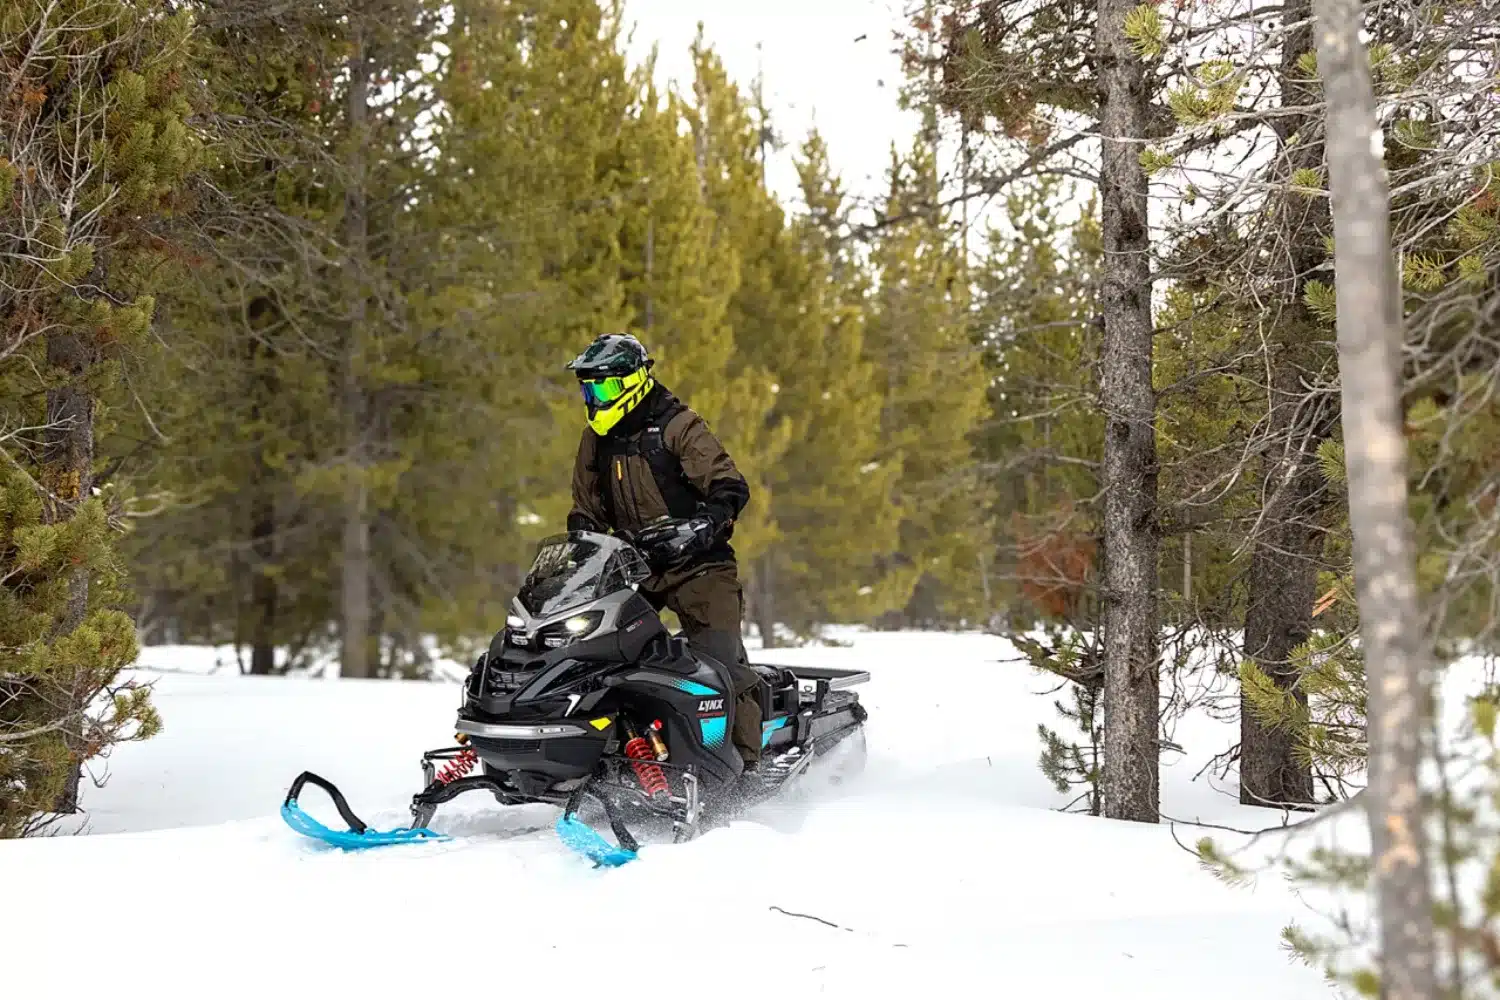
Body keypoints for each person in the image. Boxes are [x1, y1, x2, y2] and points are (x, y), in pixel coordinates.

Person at [564, 333, 763, 771]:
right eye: (588, 388)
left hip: (699, 566)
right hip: (635, 568)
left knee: (719, 662)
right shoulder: (595, 441)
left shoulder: (677, 426)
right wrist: (580, 553)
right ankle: (601, 754)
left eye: (604, 387)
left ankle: (746, 768)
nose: (595, 398)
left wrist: (706, 522)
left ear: (633, 381)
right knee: (592, 654)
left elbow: (729, 485)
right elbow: (586, 510)